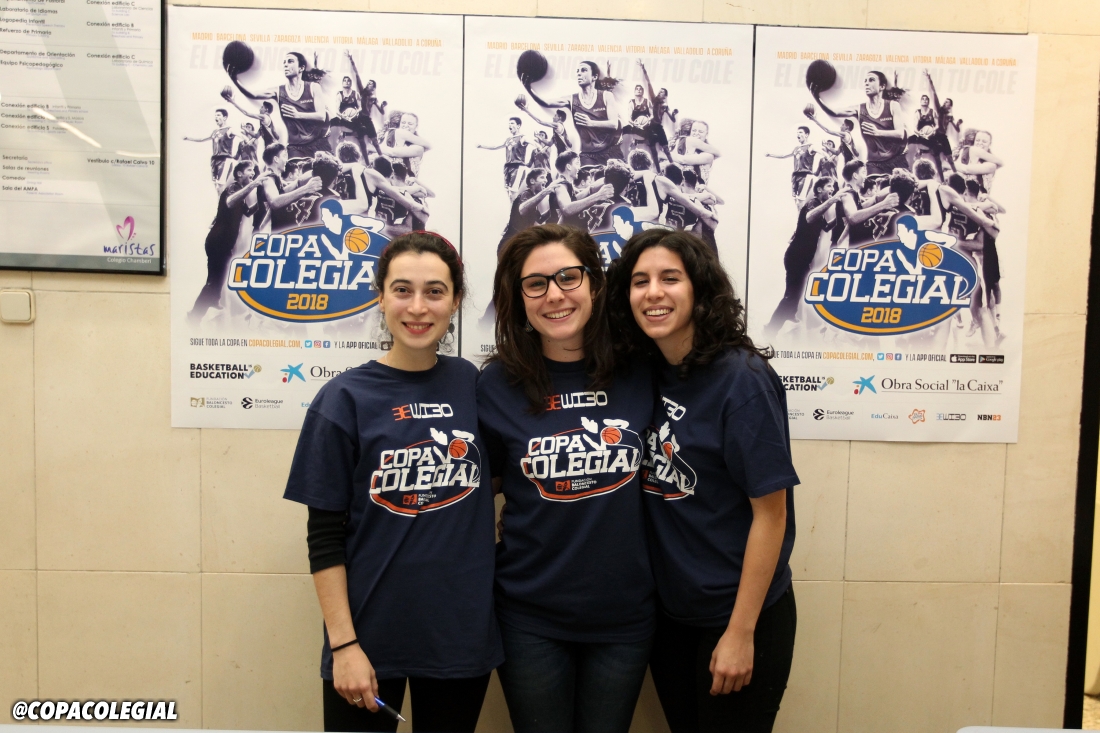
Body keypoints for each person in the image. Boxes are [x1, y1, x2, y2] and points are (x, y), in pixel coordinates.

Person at [284, 231, 502, 733]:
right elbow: (324, 536)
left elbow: (499, 477)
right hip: (366, 640)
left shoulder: (474, 386)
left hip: (459, 638)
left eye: (435, 291)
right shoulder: (343, 398)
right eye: (402, 290)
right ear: (380, 297)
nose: (418, 307)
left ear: (455, 301)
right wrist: (343, 644)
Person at [606, 228, 798, 733]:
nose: (653, 293)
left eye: (670, 278)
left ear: (699, 289)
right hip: (672, 617)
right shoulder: (647, 373)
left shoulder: (741, 379)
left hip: (738, 616)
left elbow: (771, 515)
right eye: (640, 281)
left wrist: (740, 632)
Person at [477, 224, 656, 733]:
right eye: (536, 284)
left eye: (569, 277)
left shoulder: (642, 371)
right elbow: (475, 493)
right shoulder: (496, 385)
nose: (554, 295)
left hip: (625, 616)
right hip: (529, 617)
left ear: (594, 284)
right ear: (519, 298)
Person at [187, 160, 267, 325]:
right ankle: (194, 316)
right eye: (249, 170)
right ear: (239, 174)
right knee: (213, 282)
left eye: (253, 171)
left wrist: (262, 200)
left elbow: (247, 212)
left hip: (224, 244)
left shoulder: (240, 194)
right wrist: (253, 185)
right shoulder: (232, 188)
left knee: (221, 277)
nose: (253, 173)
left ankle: (213, 299)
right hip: (217, 242)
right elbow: (230, 202)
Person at [762, 177, 843, 340]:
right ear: (819, 189)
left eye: (833, 187)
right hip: (796, 257)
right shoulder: (813, 203)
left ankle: (789, 316)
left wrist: (840, 217)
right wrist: (833, 200)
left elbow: (826, 227)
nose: (832, 189)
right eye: (829, 186)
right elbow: (809, 217)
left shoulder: (819, 209)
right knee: (791, 296)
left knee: (795, 294)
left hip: (802, 259)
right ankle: (770, 329)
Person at [230, 51, 331, 160]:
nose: (286, 65)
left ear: (301, 68)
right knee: (293, 170)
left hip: (317, 144)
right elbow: (253, 94)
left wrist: (298, 115)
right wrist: (234, 79)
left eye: (290, 61)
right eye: (284, 62)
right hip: (295, 147)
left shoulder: (313, 87)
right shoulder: (278, 91)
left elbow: (321, 116)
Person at [523, 60, 623, 166]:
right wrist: (528, 88)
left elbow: (614, 124)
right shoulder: (572, 99)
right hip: (588, 155)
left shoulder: (606, 96)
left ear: (594, 77)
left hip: (610, 151)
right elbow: (546, 103)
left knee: (619, 175)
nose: (579, 73)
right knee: (585, 176)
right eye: (577, 71)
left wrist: (591, 123)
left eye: (583, 70)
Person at [812, 70, 907, 176]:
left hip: (896, 160)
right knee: (872, 186)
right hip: (874, 164)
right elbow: (834, 112)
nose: (866, 83)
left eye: (871, 80)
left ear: (882, 86)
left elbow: (900, 133)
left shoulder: (893, 105)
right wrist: (816, 97)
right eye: (865, 81)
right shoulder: (859, 108)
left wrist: (878, 132)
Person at [183, 108, 238, 193]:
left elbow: (240, 135)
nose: (216, 117)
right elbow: (202, 139)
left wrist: (247, 139)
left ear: (225, 117)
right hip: (215, 160)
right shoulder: (215, 132)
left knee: (220, 185)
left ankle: (222, 201)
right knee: (216, 185)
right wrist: (189, 138)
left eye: (218, 115)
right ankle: (221, 200)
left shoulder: (229, 129)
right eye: (215, 115)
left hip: (224, 159)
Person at [478, 117, 532, 201]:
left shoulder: (523, 137)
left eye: (512, 123)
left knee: (513, 194)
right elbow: (495, 146)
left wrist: (541, 147)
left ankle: (515, 209)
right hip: (508, 167)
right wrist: (482, 146)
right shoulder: (508, 139)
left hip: (517, 167)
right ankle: (514, 209)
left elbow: (533, 142)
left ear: (518, 126)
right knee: (509, 194)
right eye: (509, 123)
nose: (509, 125)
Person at [765, 126, 817, 208]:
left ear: (806, 135)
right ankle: (801, 216)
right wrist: (770, 154)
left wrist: (827, 156)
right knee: (796, 202)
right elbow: (783, 155)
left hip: (805, 176)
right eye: (797, 132)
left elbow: (821, 151)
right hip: (795, 176)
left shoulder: (811, 146)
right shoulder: (796, 148)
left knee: (800, 201)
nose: (798, 134)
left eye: (800, 132)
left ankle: (802, 216)